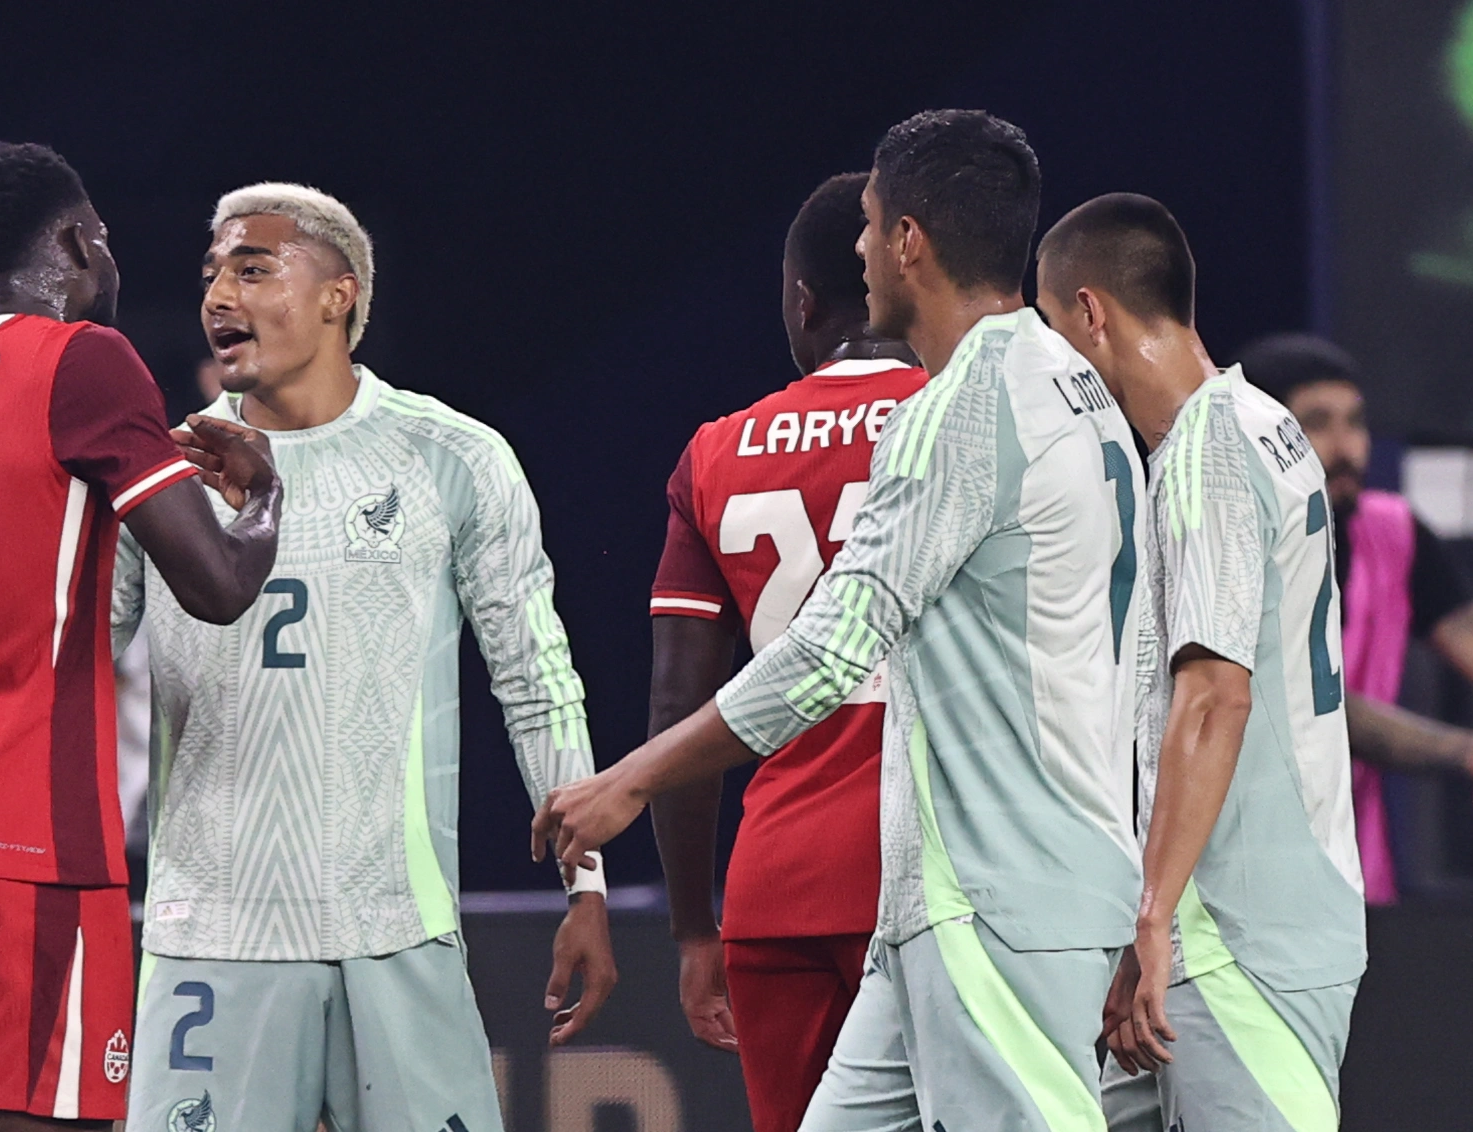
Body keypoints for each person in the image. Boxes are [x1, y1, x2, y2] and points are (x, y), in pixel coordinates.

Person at [534, 109, 1147, 1132]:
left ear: (910, 239)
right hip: (953, 893)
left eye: (868, 223)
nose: (858, 248)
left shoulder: (955, 411)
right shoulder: (1080, 389)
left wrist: (628, 780)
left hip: (993, 895)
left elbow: (827, 650)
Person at [112, 183, 615, 1132]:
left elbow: (535, 677)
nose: (220, 293)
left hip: (395, 930)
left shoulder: (451, 456)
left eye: (253, 268)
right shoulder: (158, 475)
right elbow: (62, 665)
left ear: (340, 294)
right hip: (213, 931)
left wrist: (584, 884)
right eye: (211, 272)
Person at [0, 143, 284, 1132]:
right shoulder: (85, 360)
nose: (113, 266)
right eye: (108, 243)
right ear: (78, 242)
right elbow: (216, 587)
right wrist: (261, 500)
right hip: (25, 838)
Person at [1036, 193, 1365, 1132]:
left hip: (1241, 938)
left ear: (1091, 315)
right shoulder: (1259, 421)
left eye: (1055, 330)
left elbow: (1216, 696)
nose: (1057, 365)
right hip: (1215, 927)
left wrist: (1152, 918)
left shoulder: (1207, 451)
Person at [647, 172, 926, 1132]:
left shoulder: (717, 453)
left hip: (778, 885)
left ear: (803, 301)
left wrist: (694, 926)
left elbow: (676, 709)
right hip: (942, 873)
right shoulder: (974, 423)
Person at [1239, 333, 1473, 904]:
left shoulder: (1392, 532)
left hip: (1358, 879)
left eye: (1356, 422)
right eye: (1318, 423)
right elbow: (1317, 708)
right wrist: (1461, 752)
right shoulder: (1233, 545)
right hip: (1243, 874)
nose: (1347, 448)